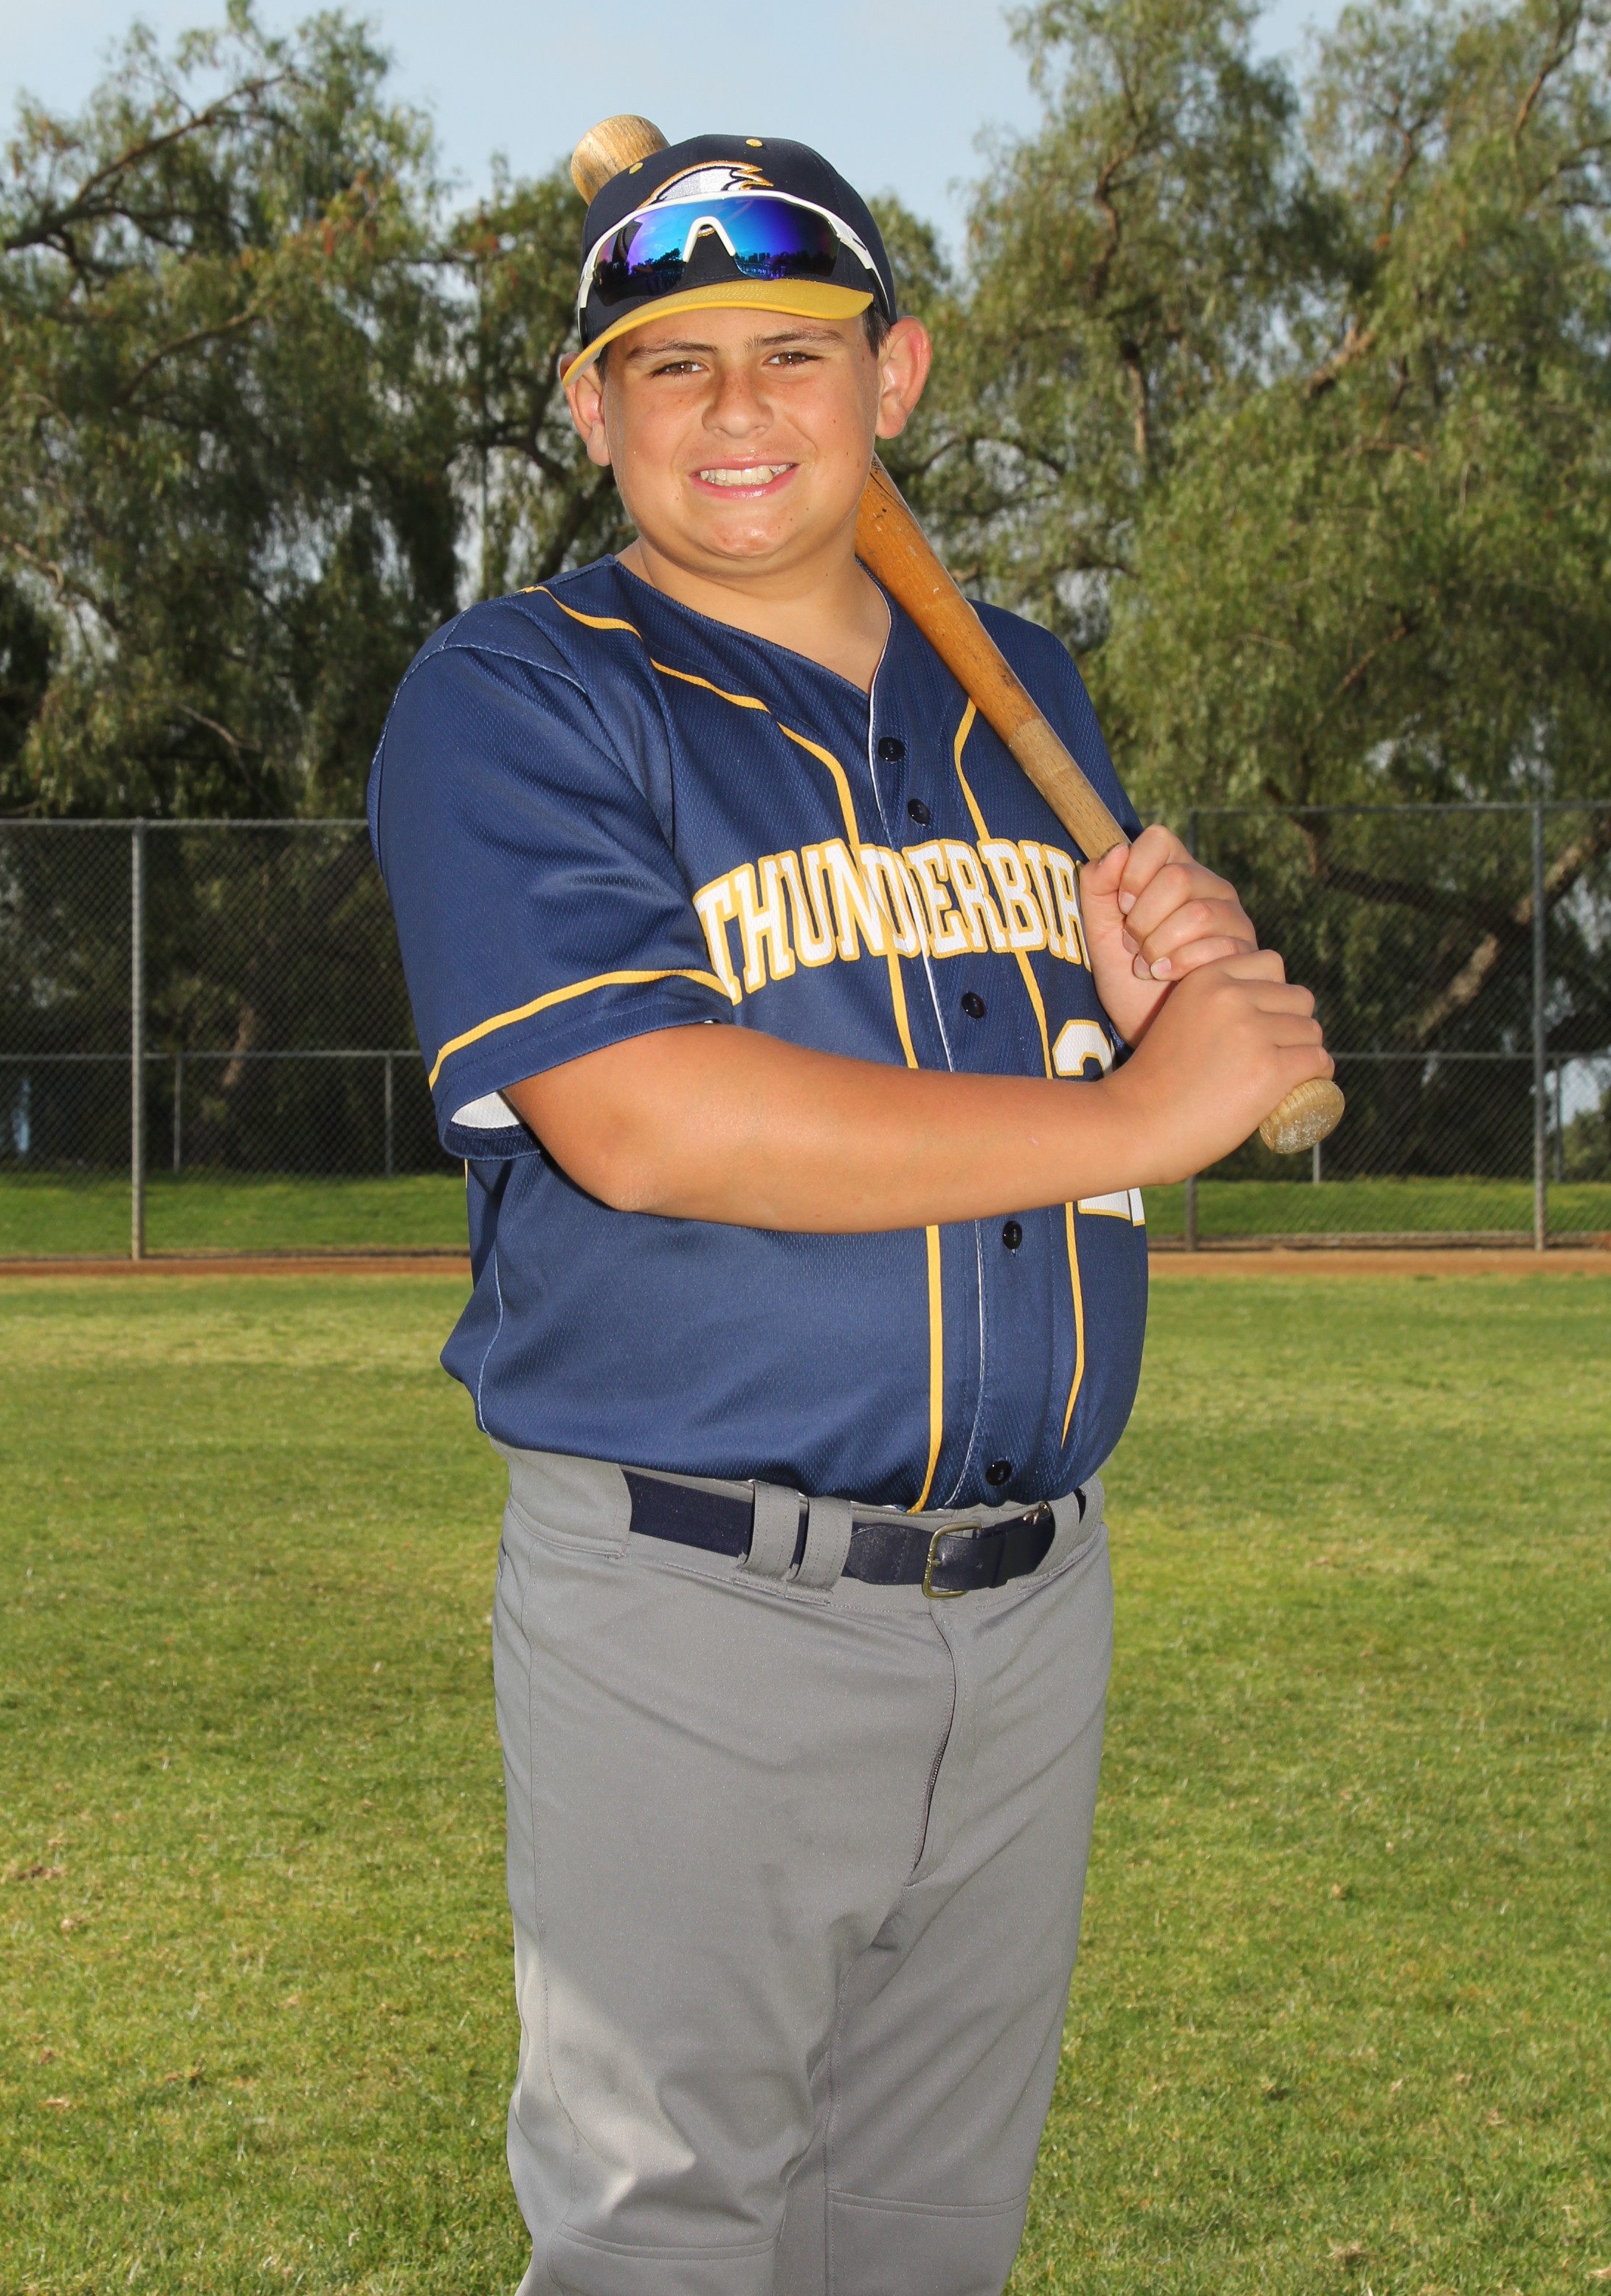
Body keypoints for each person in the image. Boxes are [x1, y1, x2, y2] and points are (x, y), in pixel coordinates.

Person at [369, 133, 1331, 2296]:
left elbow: (1037, 1073)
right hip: (696, 1605)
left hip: (1032, 1602)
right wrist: (1148, 1113)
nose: (736, 409)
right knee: (666, 2243)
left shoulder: (1024, 693)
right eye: (671, 362)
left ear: (895, 378)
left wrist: (1142, 1002)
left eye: (792, 352)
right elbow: (646, 1118)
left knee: (920, 2248)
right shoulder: (520, 695)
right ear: (589, 406)